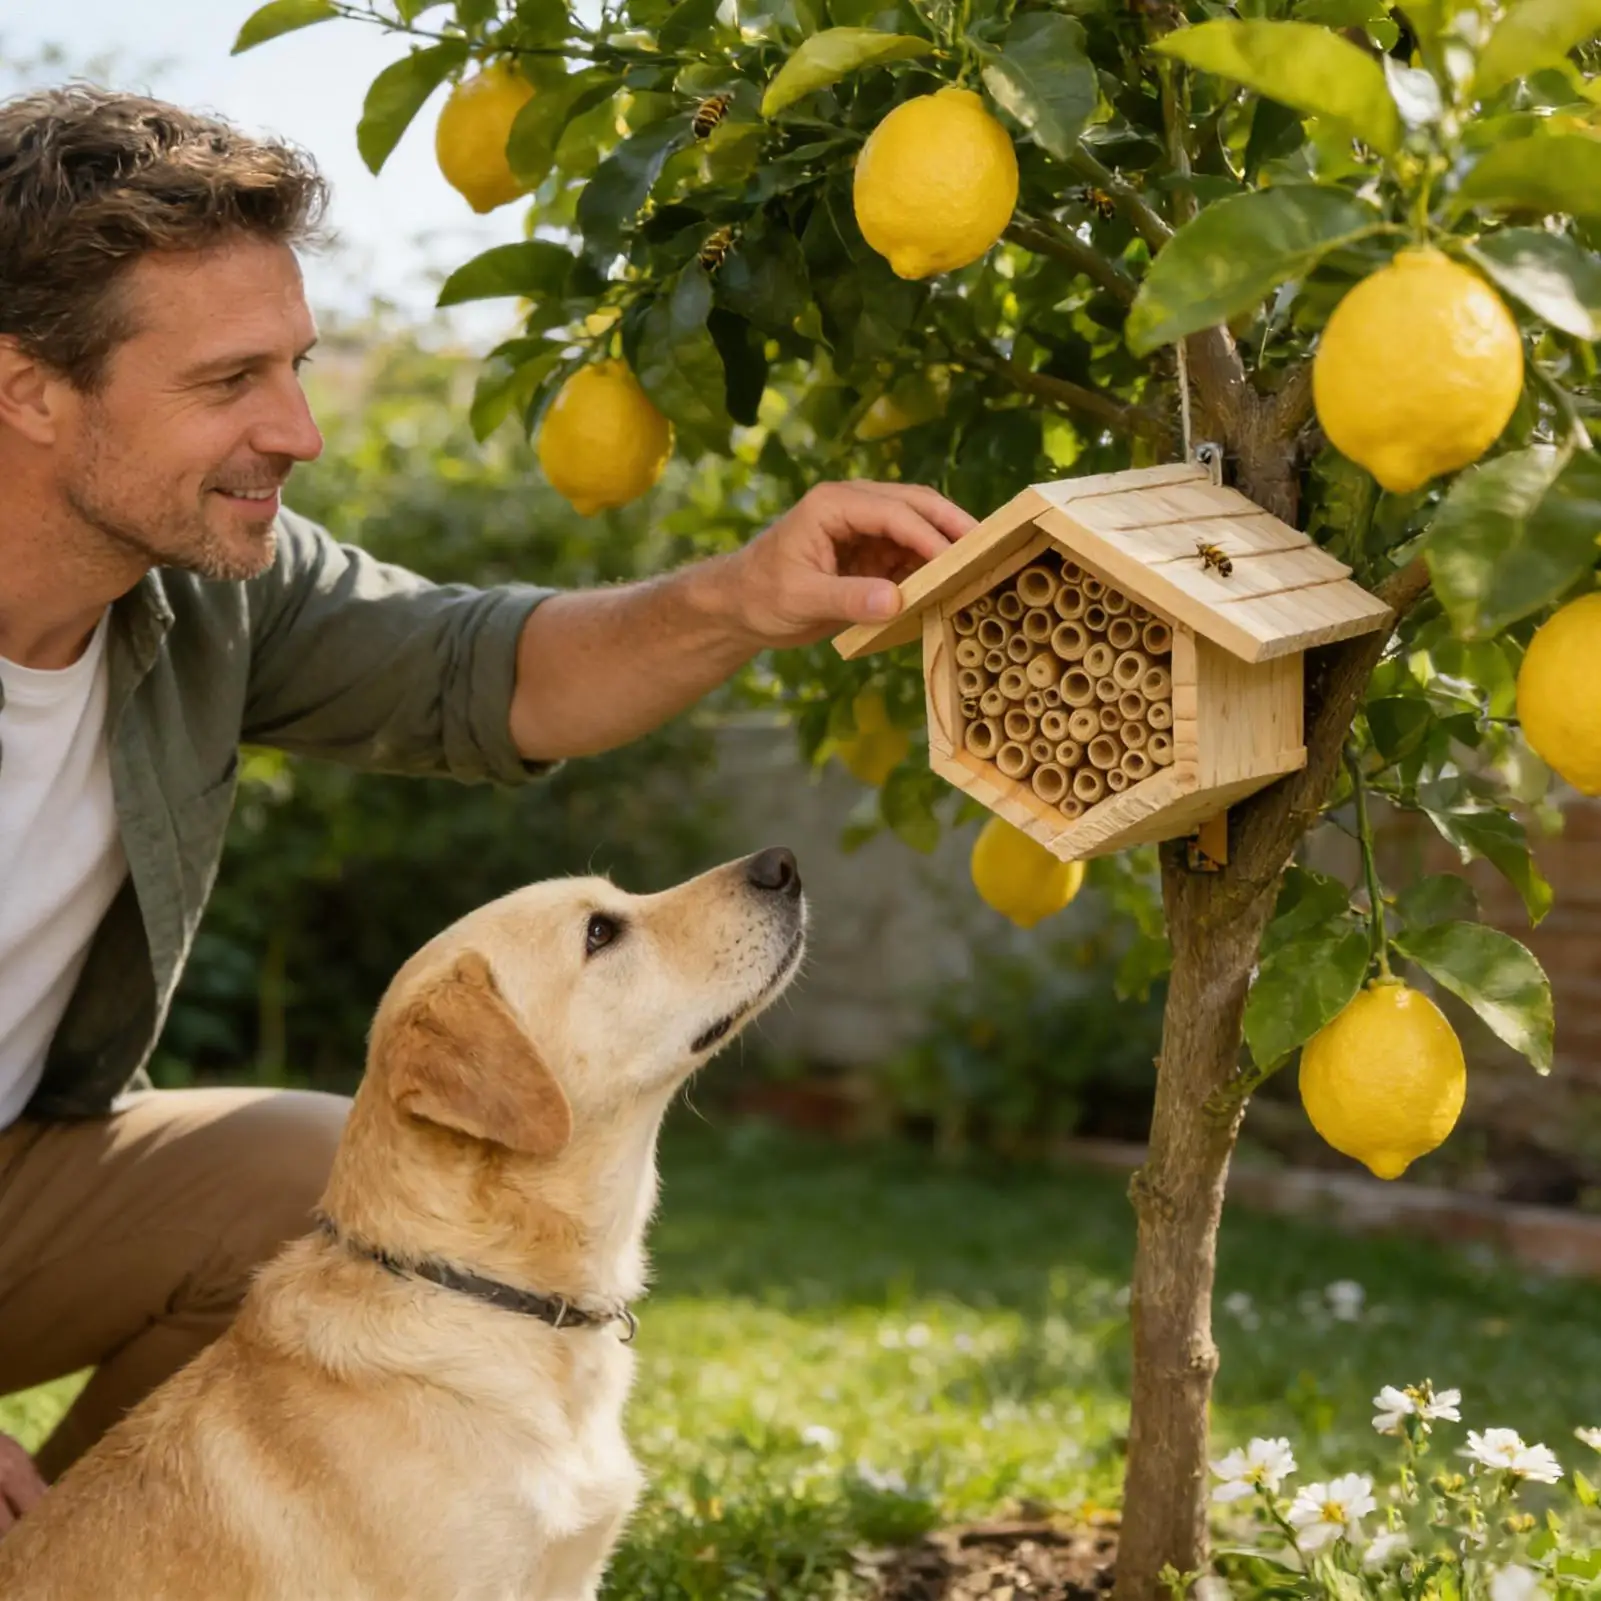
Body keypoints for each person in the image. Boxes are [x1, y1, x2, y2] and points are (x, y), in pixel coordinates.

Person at [0, 84, 975, 1530]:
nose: (301, 431)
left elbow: (482, 672)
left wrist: (741, 597)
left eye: (296, 366)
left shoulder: (210, 592)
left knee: (305, 1189)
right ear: (28, 387)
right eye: (229, 385)